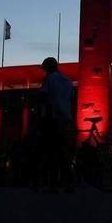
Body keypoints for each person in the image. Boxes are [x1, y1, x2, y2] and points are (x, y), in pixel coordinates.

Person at [38, 57, 75, 192]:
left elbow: (43, 97)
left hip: (51, 117)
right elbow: (71, 97)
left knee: (51, 151)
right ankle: (69, 182)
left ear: (48, 68)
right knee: (62, 151)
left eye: (44, 69)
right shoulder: (67, 81)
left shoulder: (50, 79)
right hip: (65, 118)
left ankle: (52, 184)